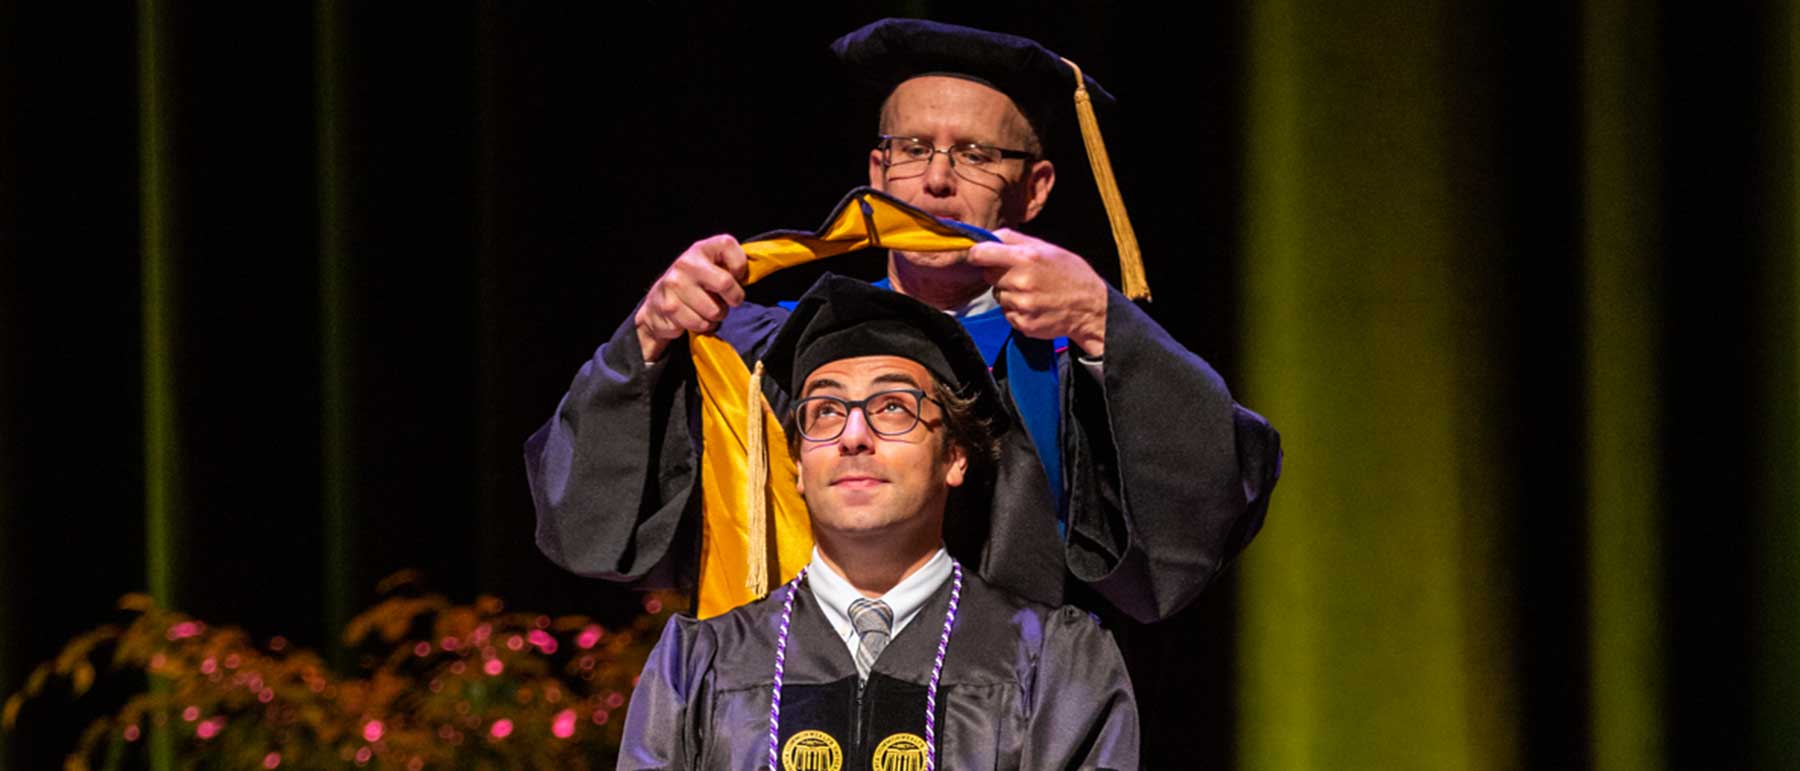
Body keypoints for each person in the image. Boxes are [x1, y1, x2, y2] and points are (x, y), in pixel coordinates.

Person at [526, 18, 1281, 622]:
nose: (938, 178)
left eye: (977, 154)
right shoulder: (763, 352)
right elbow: (586, 525)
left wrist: (1102, 321)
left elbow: (1197, 522)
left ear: (1036, 189)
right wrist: (648, 341)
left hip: (1001, 727)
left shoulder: (1063, 363)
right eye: (913, 148)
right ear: (877, 171)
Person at [617, 276, 1138, 771]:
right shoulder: (699, 664)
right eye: (824, 411)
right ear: (798, 466)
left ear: (955, 455)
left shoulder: (1054, 663)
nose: (853, 435)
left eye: (892, 407)